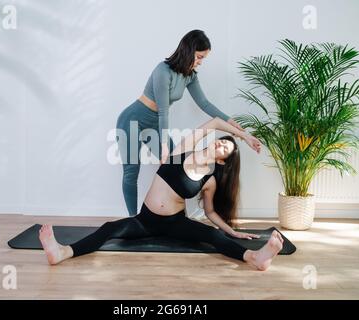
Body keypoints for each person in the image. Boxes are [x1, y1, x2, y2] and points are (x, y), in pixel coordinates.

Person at [39, 117, 284, 271]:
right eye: (221, 142)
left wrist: (230, 230)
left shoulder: (209, 181)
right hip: (145, 221)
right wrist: (245, 137)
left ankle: (254, 257)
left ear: (222, 161)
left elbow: (209, 211)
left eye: (226, 149)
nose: (220, 145)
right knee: (108, 229)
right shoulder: (184, 149)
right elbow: (216, 122)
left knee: (211, 236)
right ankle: (62, 252)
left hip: (175, 224)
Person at [116, 29, 245, 216]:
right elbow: (163, 110)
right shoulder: (163, 70)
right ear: (189, 50)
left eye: (203, 59)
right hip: (132, 121)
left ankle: (176, 216)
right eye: (199, 57)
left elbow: (205, 103)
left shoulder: (190, 75)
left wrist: (230, 122)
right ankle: (132, 219)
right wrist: (164, 145)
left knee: (176, 165)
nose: (200, 62)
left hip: (156, 123)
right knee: (131, 172)